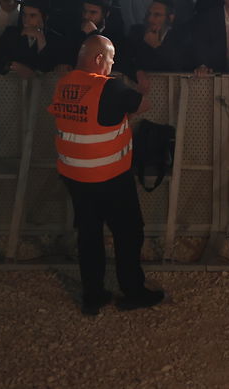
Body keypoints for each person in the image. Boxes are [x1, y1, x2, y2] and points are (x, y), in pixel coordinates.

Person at [49, 35, 164, 315]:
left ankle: (93, 295)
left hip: (74, 175)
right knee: (128, 233)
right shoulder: (109, 87)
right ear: (99, 59)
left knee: (89, 235)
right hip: (109, 175)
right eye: (111, 59)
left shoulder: (63, 84)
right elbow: (143, 105)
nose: (112, 65)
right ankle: (133, 291)